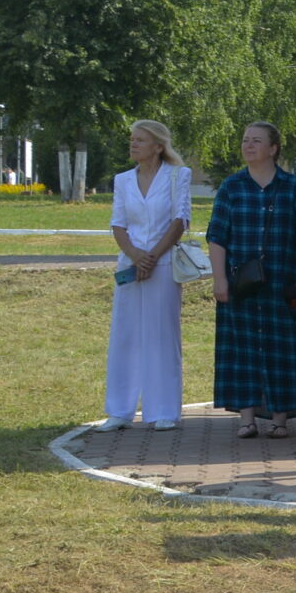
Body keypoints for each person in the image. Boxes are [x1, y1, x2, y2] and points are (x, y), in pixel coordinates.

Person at [207, 121, 296, 438]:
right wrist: (219, 280)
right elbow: (217, 238)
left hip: (280, 283)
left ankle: (279, 420)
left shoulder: (291, 186)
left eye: (256, 141)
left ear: (273, 149)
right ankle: (246, 420)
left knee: (281, 350)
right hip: (240, 284)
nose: (249, 145)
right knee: (241, 349)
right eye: (246, 140)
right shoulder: (231, 187)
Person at [105, 119, 192, 431]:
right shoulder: (123, 180)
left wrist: (152, 257)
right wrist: (135, 255)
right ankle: (119, 410)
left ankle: (164, 410)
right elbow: (118, 224)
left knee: (161, 336)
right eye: (132, 139)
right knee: (125, 336)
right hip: (130, 265)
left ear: (158, 146)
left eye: (140, 140)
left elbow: (179, 220)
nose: (133, 145)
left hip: (164, 264)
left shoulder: (177, 176)